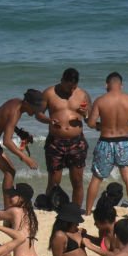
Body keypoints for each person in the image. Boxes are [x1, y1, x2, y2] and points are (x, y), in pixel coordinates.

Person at [0, 89, 45, 211]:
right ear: (27, 103)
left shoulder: (15, 103)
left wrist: (20, 132)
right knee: (10, 171)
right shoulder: (16, 112)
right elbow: (7, 141)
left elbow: (6, 120)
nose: (36, 111)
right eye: (35, 108)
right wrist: (25, 158)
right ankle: (8, 210)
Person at [84, 72, 128, 215]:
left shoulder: (101, 101)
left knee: (97, 178)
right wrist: (124, 129)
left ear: (106, 85)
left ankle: (88, 212)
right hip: (123, 142)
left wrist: (101, 126)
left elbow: (91, 124)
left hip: (105, 142)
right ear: (121, 85)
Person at [37, 68, 92, 208]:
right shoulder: (49, 93)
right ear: (62, 81)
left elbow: (90, 119)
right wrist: (49, 120)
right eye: (68, 87)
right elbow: (38, 114)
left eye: (73, 88)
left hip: (76, 142)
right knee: (54, 180)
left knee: (77, 180)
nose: (70, 91)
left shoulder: (83, 94)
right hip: (55, 142)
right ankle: (50, 208)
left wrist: (85, 114)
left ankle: (75, 210)